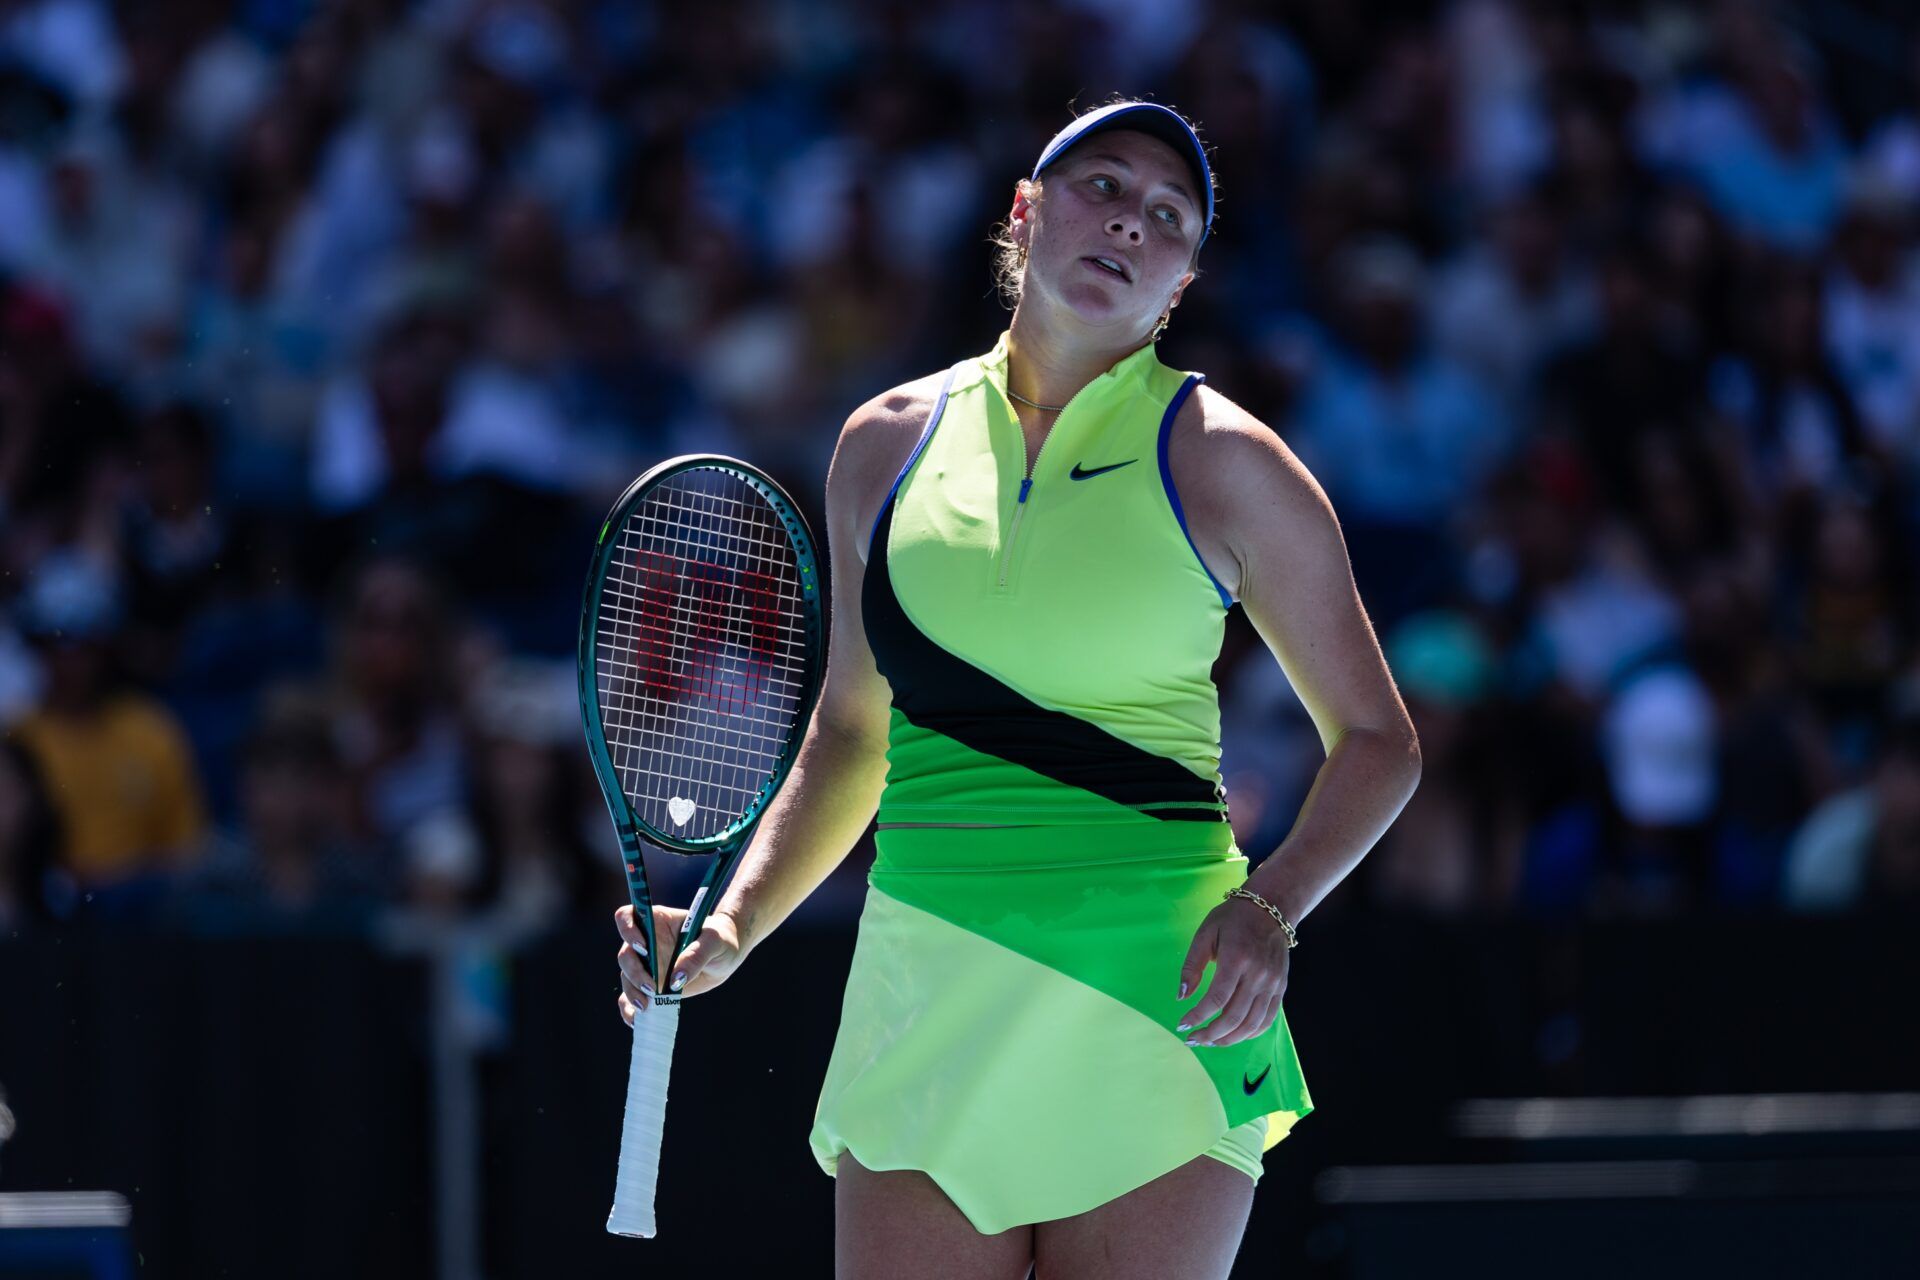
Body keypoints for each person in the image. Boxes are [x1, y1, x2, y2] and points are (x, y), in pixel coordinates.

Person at [613, 98, 1421, 1278]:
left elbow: (1379, 740)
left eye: (1167, 217)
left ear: (1182, 284)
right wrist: (735, 921)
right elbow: (850, 731)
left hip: (1162, 993)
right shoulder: (881, 446)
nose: (1131, 223)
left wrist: (1274, 904)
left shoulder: (1233, 463)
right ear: (1024, 212)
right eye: (1102, 187)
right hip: (925, 985)